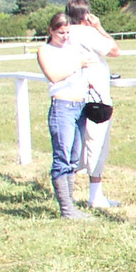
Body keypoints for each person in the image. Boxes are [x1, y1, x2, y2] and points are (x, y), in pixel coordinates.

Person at [35, 13, 98, 220]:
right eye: (61, 32)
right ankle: (67, 209)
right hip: (62, 107)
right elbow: (53, 75)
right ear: (51, 31)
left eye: (68, 32)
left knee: (73, 157)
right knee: (62, 157)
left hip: (79, 107)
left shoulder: (72, 50)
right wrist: (77, 64)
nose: (65, 36)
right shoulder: (45, 50)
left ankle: (70, 205)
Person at [64, 0, 122, 208]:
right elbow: (115, 50)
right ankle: (95, 196)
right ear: (87, 15)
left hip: (69, 95)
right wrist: (99, 27)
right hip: (95, 97)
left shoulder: (64, 34)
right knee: (96, 144)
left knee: (73, 143)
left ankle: (67, 192)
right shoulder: (89, 33)